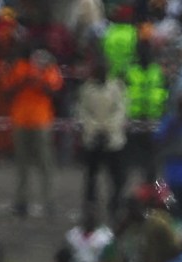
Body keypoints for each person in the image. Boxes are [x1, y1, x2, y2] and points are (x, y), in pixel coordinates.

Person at [8, 47, 63, 219]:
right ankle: (21, 201)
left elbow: (55, 92)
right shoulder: (20, 67)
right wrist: (25, 80)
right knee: (22, 164)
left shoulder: (50, 68)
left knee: (45, 163)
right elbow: (8, 91)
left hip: (41, 121)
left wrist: (40, 79)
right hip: (20, 120)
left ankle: (50, 201)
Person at [75, 57, 128, 213]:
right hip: (93, 138)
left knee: (117, 176)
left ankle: (115, 203)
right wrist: (95, 129)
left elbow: (120, 110)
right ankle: (90, 205)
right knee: (91, 175)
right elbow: (83, 111)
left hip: (113, 139)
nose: (102, 72)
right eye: (99, 70)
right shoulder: (86, 89)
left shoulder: (117, 87)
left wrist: (107, 128)